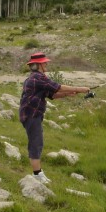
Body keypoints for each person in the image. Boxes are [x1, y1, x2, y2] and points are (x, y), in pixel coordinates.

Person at [19, 52, 90, 184]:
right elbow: (57, 87)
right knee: (36, 143)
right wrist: (80, 89)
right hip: (31, 115)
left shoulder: (37, 78)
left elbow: (52, 94)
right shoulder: (37, 78)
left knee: (37, 142)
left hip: (32, 114)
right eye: (44, 62)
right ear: (38, 65)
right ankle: (37, 175)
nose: (47, 64)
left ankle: (39, 173)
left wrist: (68, 94)